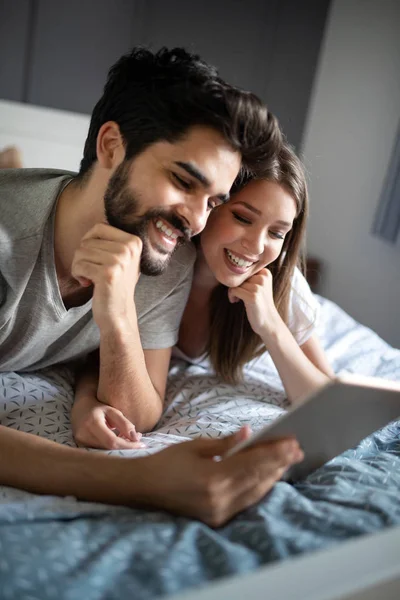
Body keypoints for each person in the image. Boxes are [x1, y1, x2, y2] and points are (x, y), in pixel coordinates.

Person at [0, 46, 302, 526]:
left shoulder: (167, 249)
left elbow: (141, 411)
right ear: (112, 146)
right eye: (184, 181)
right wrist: (142, 481)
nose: (198, 221)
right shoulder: (6, 247)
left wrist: (118, 317)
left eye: (214, 200)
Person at [74, 143, 334, 450]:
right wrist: (85, 403)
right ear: (210, 206)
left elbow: (325, 402)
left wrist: (271, 326)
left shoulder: (280, 281)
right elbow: (98, 351)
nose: (256, 245)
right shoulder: (154, 262)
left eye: (276, 233)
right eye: (243, 218)